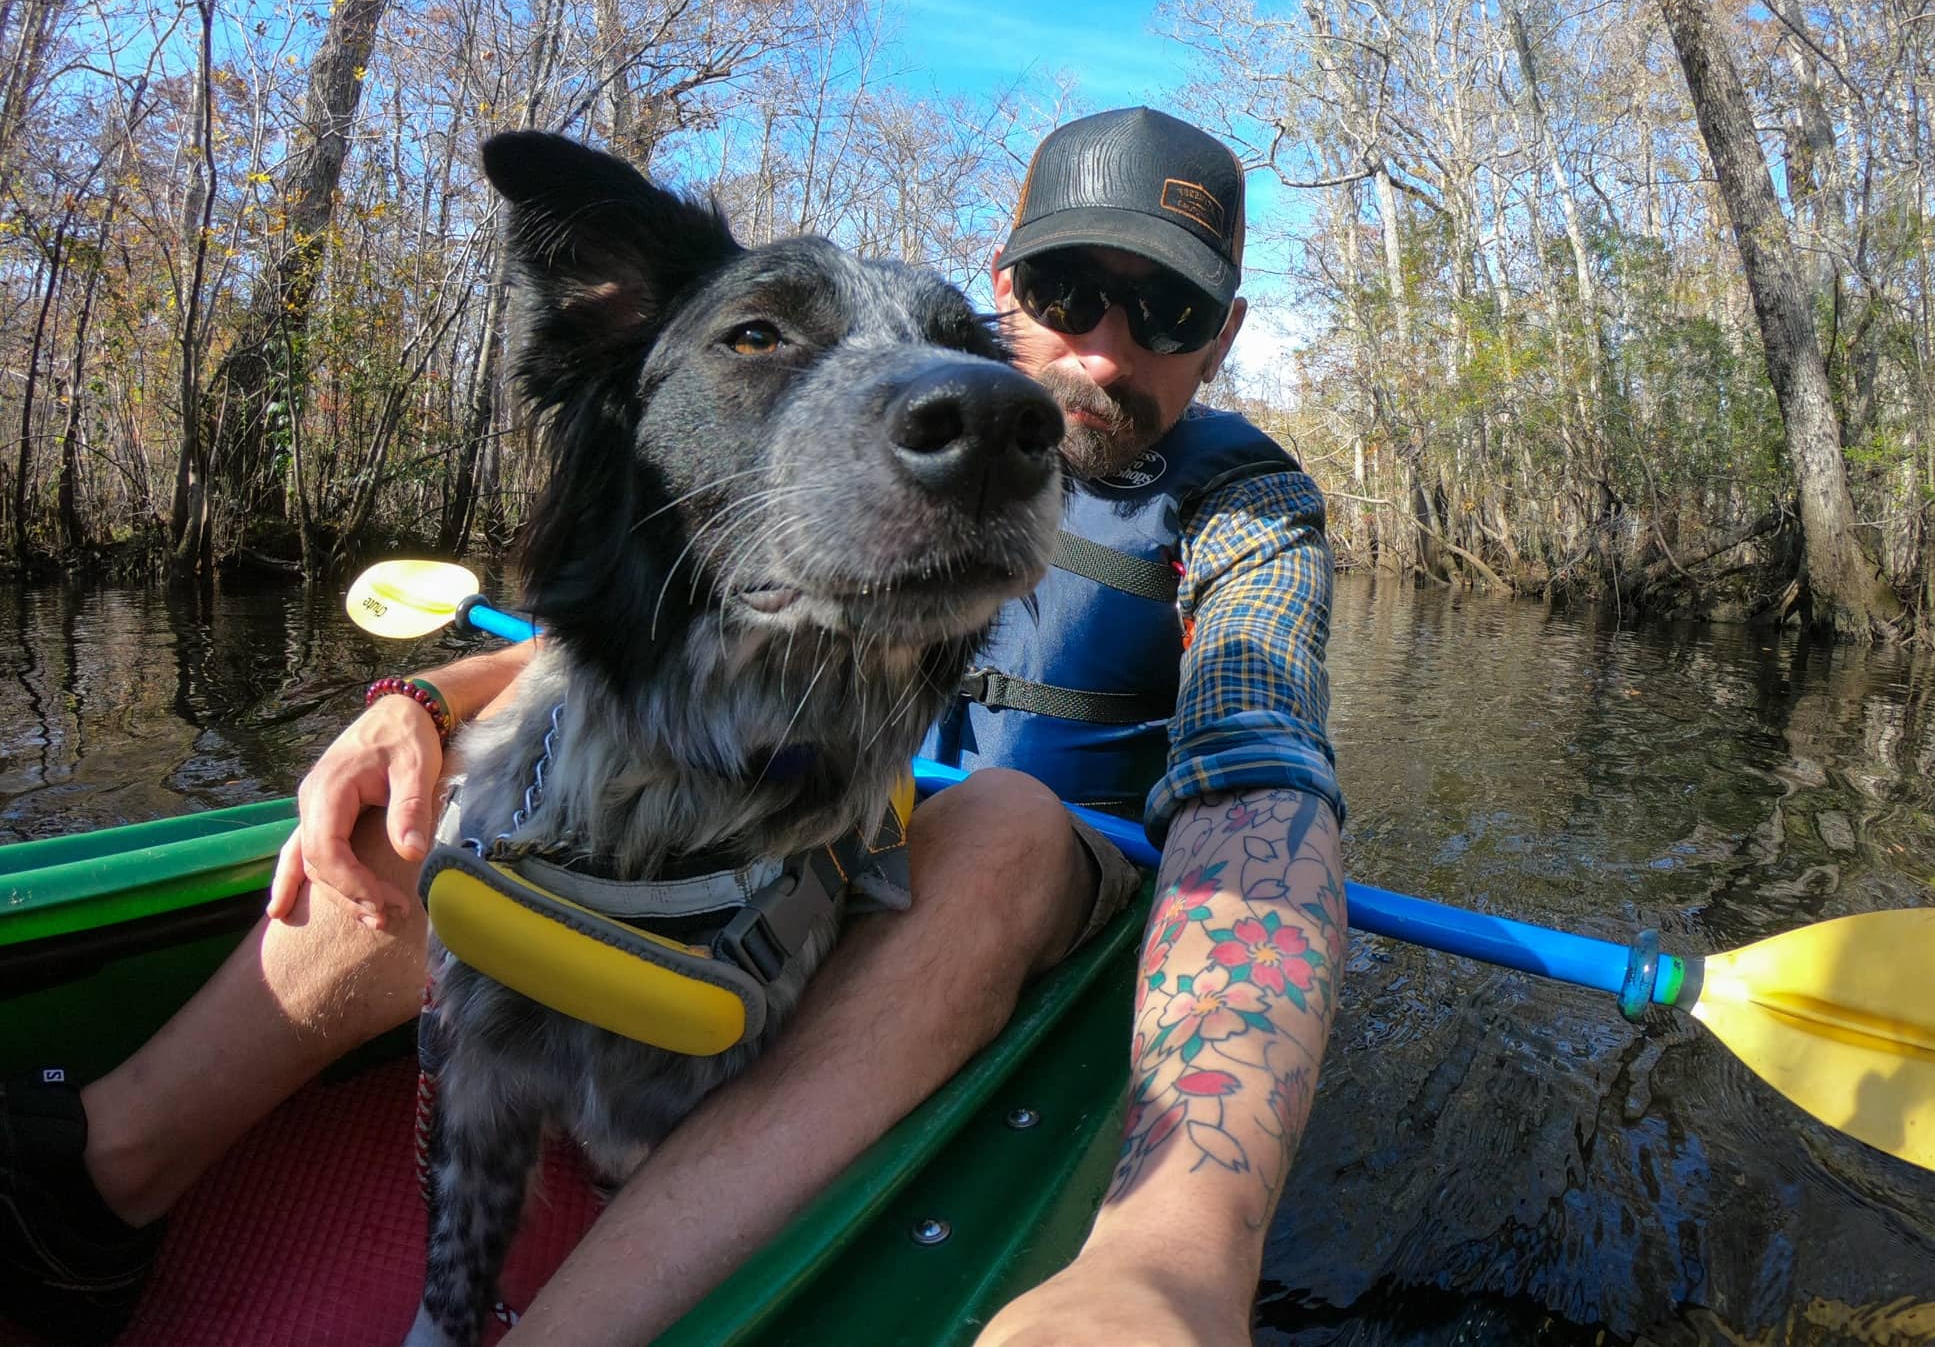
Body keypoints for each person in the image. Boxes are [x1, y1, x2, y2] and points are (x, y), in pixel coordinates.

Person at [1, 107, 1346, 1347]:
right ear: (1010, 286)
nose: (1106, 350)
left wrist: (1177, 1250)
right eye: (1069, 294)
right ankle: (100, 1175)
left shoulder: (1246, 509)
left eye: (1167, 309)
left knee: (1000, 824)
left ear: (1221, 336)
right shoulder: (889, 402)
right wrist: (416, 701)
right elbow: (622, 628)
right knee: (498, 766)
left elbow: (1257, 786)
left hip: (1034, 873)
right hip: (818, 801)